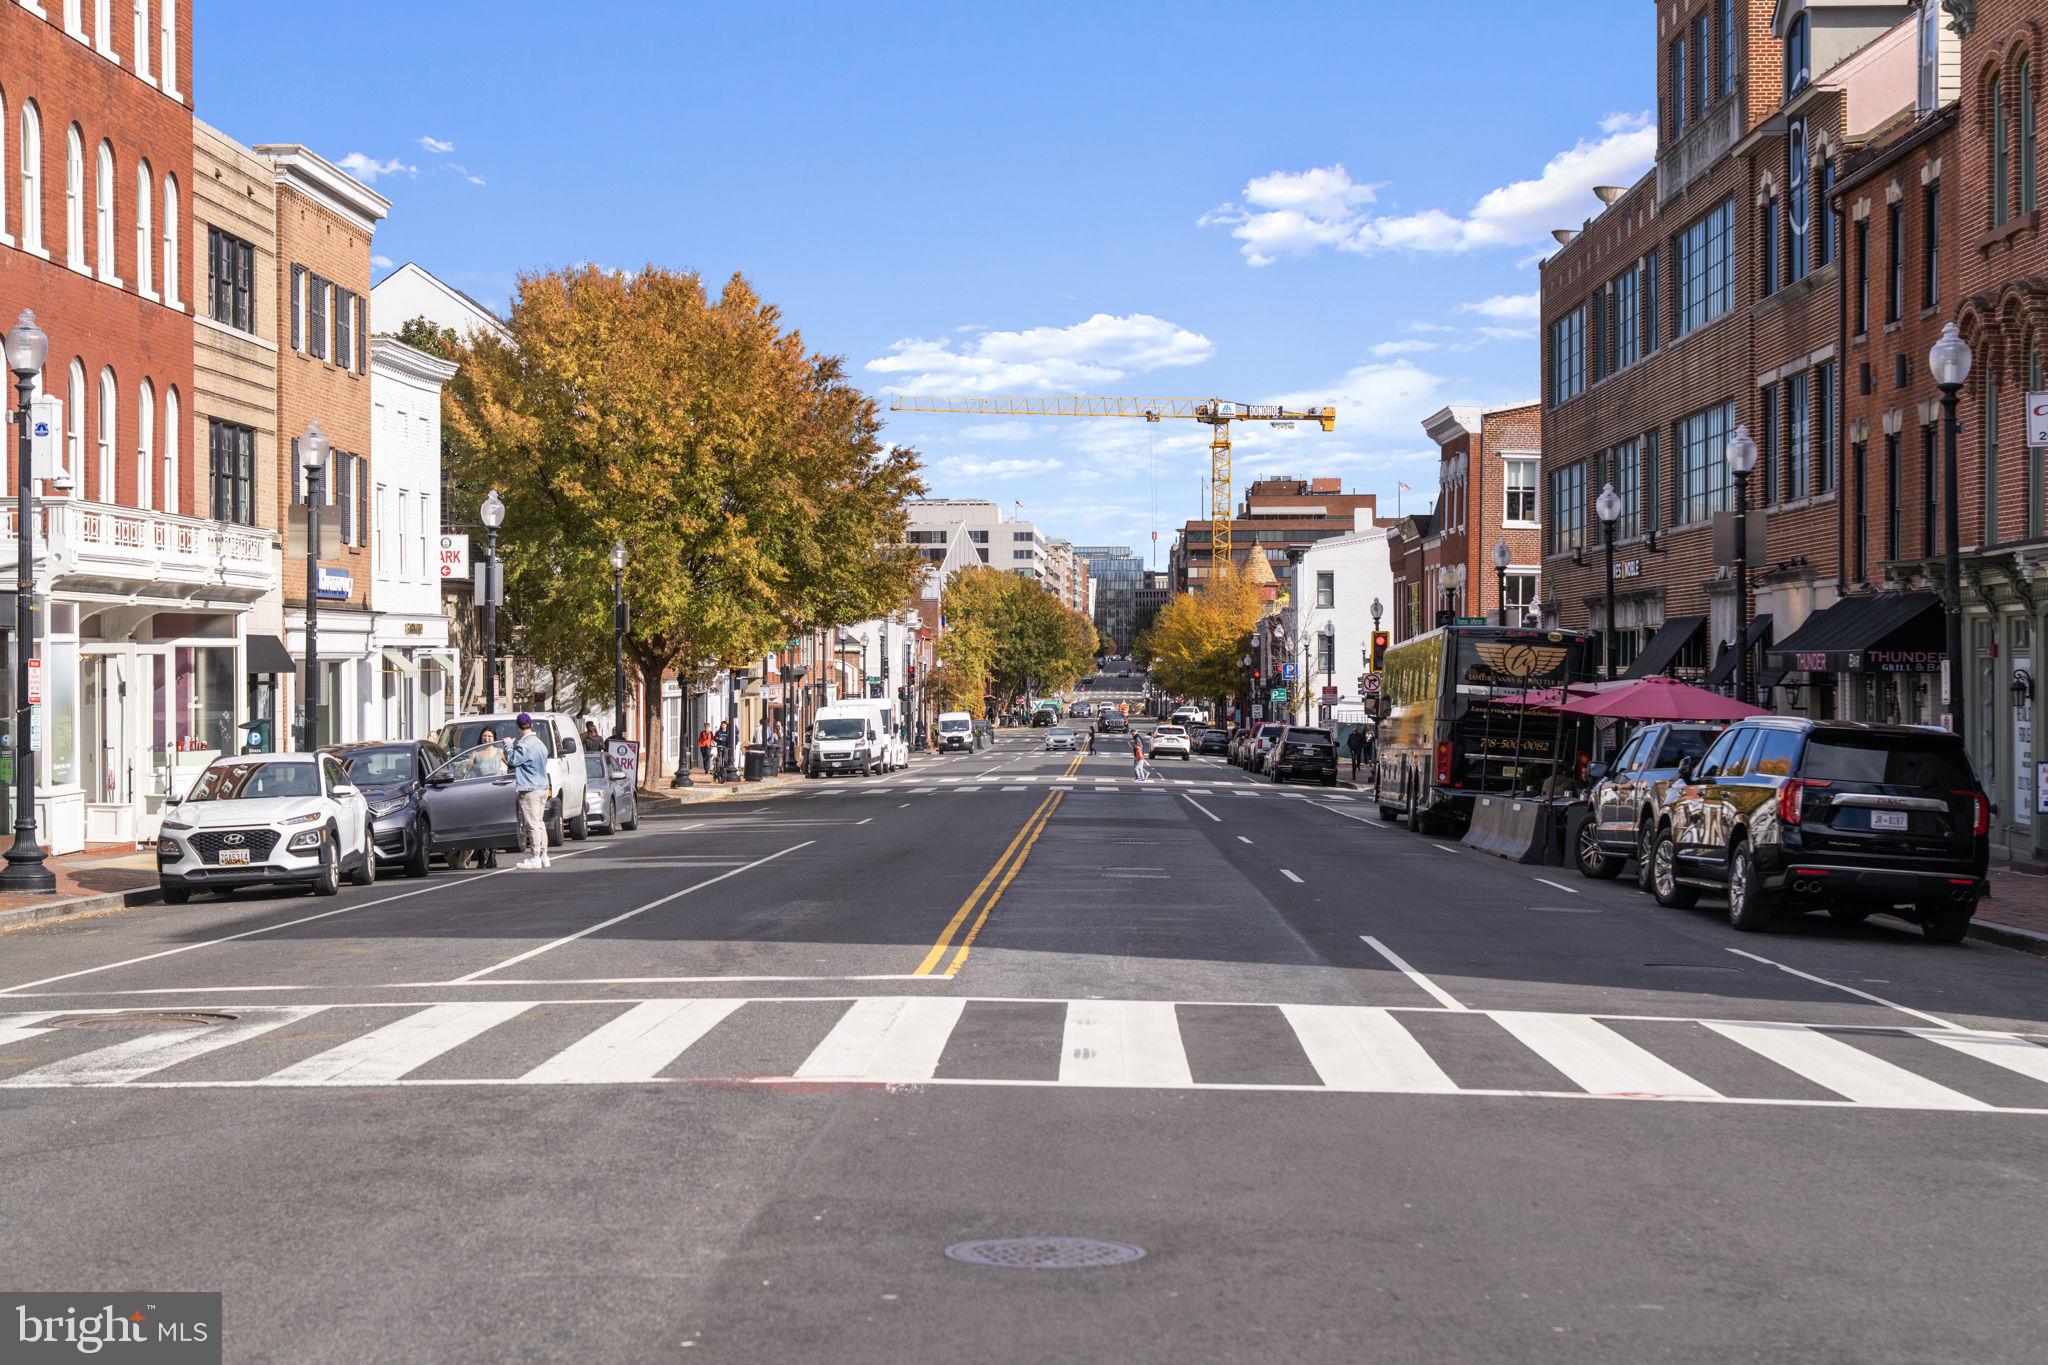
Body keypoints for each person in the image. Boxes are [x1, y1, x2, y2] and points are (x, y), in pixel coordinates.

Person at [507, 712, 553, 869]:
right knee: (539, 823)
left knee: (532, 824)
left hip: (529, 788)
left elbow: (513, 760)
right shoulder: (540, 743)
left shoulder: (524, 745)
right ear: (531, 725)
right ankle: (544, 856)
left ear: (518, 727)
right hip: (542, 787)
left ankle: (535, 857)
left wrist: (507, 745)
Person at [471, 727, 504, 868]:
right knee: (479, 826)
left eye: (489, 736)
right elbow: (464, 768)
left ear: (494, 738)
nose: (487, 738)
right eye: (484, 736)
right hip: (479, 793)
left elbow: (513, 765)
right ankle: (481, 857)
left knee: (494, 825)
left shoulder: (499, 752)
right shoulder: (475, 753)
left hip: (495, 792)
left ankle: (492, 855)